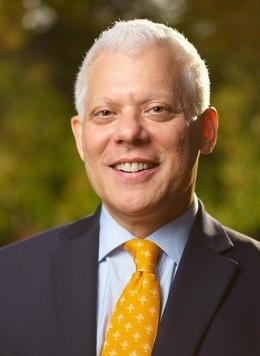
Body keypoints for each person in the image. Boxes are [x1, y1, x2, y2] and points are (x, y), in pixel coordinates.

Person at [0, 19, 259, 356]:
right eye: (105, 112)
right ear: (80, 137)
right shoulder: (8, 280)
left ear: (206, 130)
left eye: (157, 109)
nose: (129, 133)